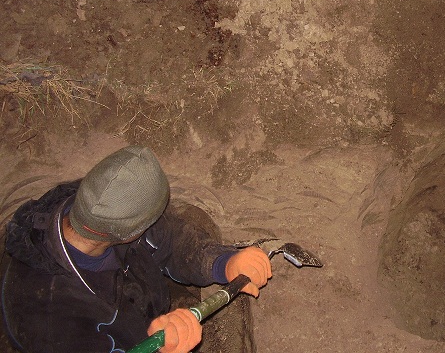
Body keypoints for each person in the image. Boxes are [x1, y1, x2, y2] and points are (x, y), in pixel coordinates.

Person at [1, 145, 272, 353]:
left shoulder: (93, 206)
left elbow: (170, 237)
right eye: (150, 220)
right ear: (126, 234)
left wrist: (223, 262)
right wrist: (157, 348)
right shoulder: (51, 321)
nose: (159, 220)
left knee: (193, 219)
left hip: (137, 301)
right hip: (113, 338)